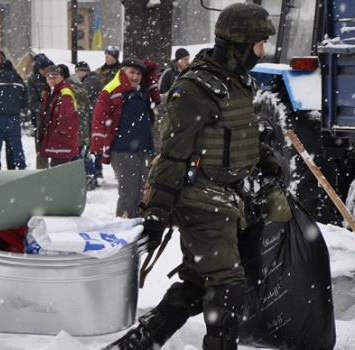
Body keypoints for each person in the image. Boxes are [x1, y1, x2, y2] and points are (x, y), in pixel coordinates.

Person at [103, 3, 276, 350]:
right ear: (238, 43)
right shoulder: (197, 88)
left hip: (225, 196)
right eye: (258, 43)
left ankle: (137, 343)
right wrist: (156, 213)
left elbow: (232, 134)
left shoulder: (237, 81)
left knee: (198, 284)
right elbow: (172, 154)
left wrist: (263, 156)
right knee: (227, 285)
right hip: (201, 198)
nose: (263, 50)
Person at [91, 58, 155, 219]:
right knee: (128, 192)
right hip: (123, 149)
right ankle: (124, 226)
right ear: (122, 72)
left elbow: (153, 68)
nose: (136, 76)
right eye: (132, 72)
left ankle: (136, 225)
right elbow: (99, 117)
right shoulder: (113, 89)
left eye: (139, 73)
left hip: (142, 150)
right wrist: (97, 142)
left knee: (141, 192)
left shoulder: (140, 92)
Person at [38, 65, 79, 168]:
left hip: (61, 141)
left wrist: (60, 132)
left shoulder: (64, 93)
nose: (52, 80)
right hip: (56, 139)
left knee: (58, 171)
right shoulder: (51, 92)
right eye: (49, 77)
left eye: (55, 76)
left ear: (62, 77)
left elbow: (66, 116)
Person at [74, 61, 103, 190]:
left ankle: (92, 176)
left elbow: (83, 97)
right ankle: (95, 172)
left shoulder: (90, 82)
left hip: (91, 119)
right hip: (93, 118)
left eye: (78, 72)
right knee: (89, 150)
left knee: (85, 151)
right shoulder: (93, 80)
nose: (77, 75)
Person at [27, 53, 54, 169]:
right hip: (41, 119)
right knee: (41, 149)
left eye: (46, 68)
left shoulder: (56, 75)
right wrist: (43, 109)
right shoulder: (33, 80)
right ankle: (42, 172)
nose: (44, 71)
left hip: (56, 117)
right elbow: (32, 101)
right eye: (42, 69)